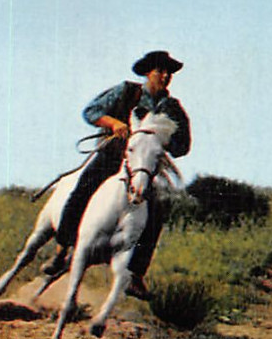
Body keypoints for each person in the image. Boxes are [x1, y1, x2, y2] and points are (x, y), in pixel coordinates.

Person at [43, 50, 192, 299]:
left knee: (155, 211)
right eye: (160, 71)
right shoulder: (126, 92)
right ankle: (61, 250)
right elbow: (91, 112)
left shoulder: (173, 108)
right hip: (112, 155)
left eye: (169, 73)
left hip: (142, 165)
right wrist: (113, 123)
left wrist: (163, 141)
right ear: (148, 72)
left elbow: (183, 146)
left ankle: (135, 275)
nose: (166, 76)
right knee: (85, 187)